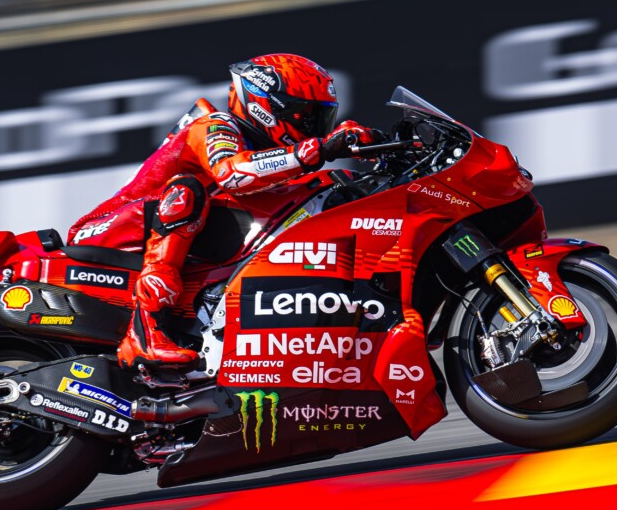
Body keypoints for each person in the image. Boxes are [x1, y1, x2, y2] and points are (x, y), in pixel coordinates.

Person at [65, 54, 382, 370]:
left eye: (322, 118)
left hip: (167, 231)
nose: (313, 127)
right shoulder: (215, 125)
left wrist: (376, 148)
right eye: (305, 116)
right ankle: (145, 332)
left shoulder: (265, 149)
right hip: (106, 228)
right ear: (265, 107)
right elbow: (232, 174)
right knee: (186, 192)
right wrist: (320, 148)